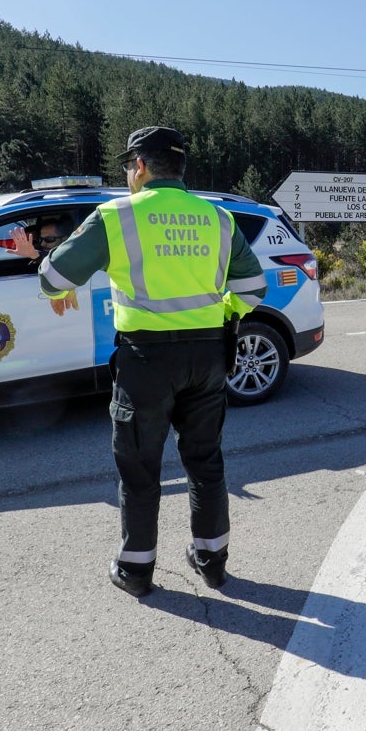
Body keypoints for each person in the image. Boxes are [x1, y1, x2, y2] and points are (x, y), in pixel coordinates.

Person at [38, 126, 267, 597]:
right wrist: (223, 315)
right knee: (205, 462)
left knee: (141, 469)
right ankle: (212, 561)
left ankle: (137, 571)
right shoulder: (218, 219)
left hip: (146, 360)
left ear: (140, 167)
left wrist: (59, 288)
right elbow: (252, 290)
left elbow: (53, 276)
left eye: (129, 166)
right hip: (207, 355)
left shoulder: (116, 215)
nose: (128, 174)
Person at [0, 216, 72, 277]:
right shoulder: (39, 257)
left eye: (49, 240)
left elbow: (59, 261)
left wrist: (35, 254)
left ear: (65, 239)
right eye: (41, 239)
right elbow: (22, 269)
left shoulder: (71, 257)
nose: (42, 244)